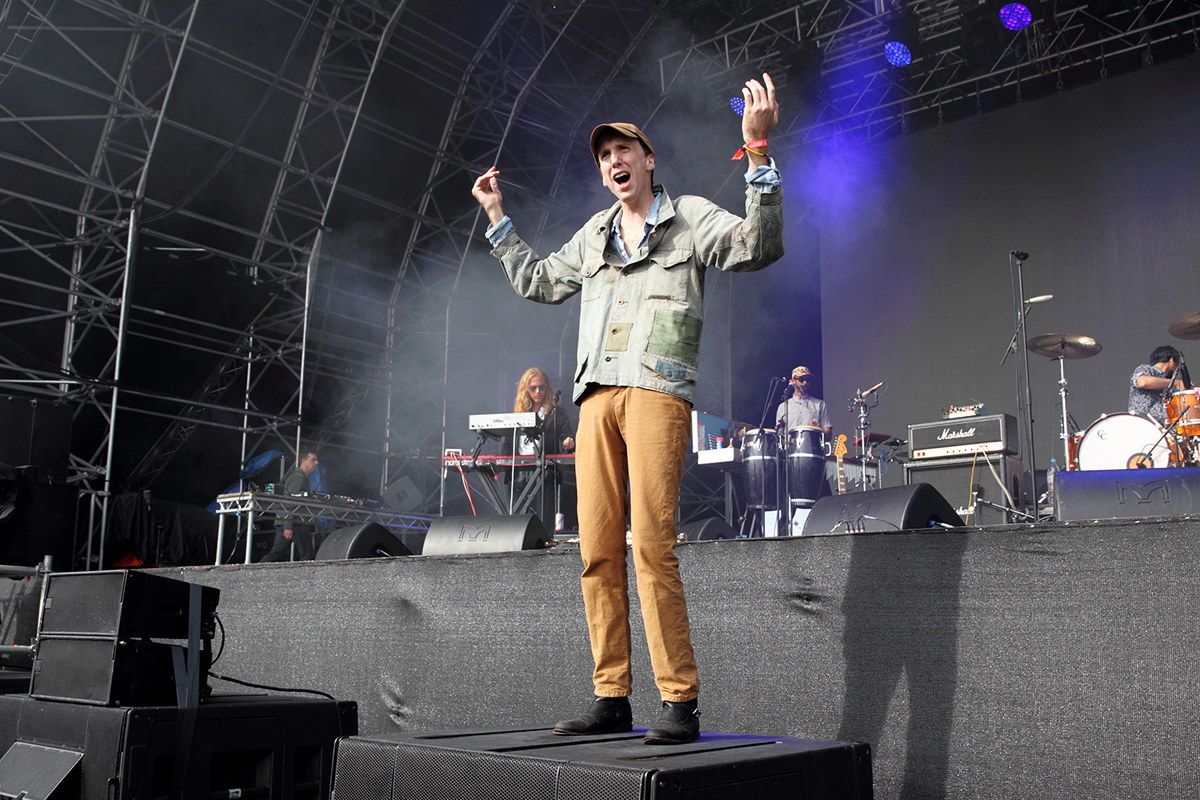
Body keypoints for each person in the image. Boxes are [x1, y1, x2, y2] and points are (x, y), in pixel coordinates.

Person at [471, 73, 784, 744]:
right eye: (604, 155)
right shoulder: (594, 235)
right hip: (596, 398)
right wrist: (498, 219)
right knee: (596, 550)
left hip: (656, 392)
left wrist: (757, 152)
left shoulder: (689, 217)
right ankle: (610, 694)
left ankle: (679, 700)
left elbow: (759, 247)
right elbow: (538, 282)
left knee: (652, 546)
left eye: (624, 150)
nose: (613, 161)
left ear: (648, 160)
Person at [503, 367, 576, 529]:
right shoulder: (517, 413)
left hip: (544, 470)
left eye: (541, 387)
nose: (538, 391)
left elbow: (567, 436)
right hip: (518, 471)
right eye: (533, 388)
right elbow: (508, 444)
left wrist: (569, 442)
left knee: (543, 519)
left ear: (547, 387)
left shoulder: (557, 412)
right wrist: (499, 465)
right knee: (516, 520)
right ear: (525, 390)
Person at [260, 450, 319, 562]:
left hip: (289, 521)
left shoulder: (299, 476)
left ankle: (257, 568)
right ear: (303, 461)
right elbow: (291, 501)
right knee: (307, 555)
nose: (316, 463)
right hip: (295, 522)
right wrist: (288, 525)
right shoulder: (298, 477)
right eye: (313, 460)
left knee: (276, 554)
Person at [1129, 346, 1187, 426]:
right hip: (1142, 424)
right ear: (1172, 360)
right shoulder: (1146, 369)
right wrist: (1175, 383)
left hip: (1161, 427)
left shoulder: (1167, 381)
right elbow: (1143, 382)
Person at [775, 365, 832, 438]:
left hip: (811, 445)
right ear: (793, 381)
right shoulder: (783, 406)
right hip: (789, 445)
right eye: (801, 379)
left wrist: (819, 432)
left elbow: (829, 434)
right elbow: (779, 435)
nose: (805, 382)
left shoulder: (820, 404)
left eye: (808, 380)